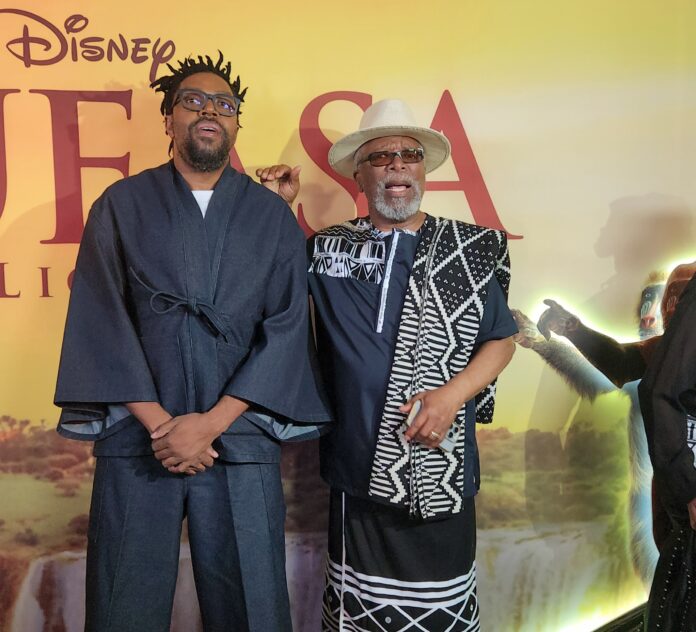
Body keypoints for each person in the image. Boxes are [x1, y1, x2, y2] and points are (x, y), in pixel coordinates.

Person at [54, 52, 331, 632]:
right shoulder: (121, 206)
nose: (211, 112)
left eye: (225, 106)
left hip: (239, 437)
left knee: (251, 607)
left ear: (236, 125)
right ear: (168, 119)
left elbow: (284, 328)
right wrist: (163, 426)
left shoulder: (270, 215)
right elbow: (102, 318)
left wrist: (209, 424)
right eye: (194, 101)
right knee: (122, 602)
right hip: (139, 440)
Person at [266, 99, 516, 630]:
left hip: (439, 465)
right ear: (360, 173)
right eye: (381, 158)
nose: (396, 166)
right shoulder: (328, 250)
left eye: (408, 155)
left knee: (440, 614)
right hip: (356, 468)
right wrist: (280, 209)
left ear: (424, 170)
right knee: (359, 616)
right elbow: (276, 281)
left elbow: (501, 340)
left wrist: (450, 397)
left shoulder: (466, 249)